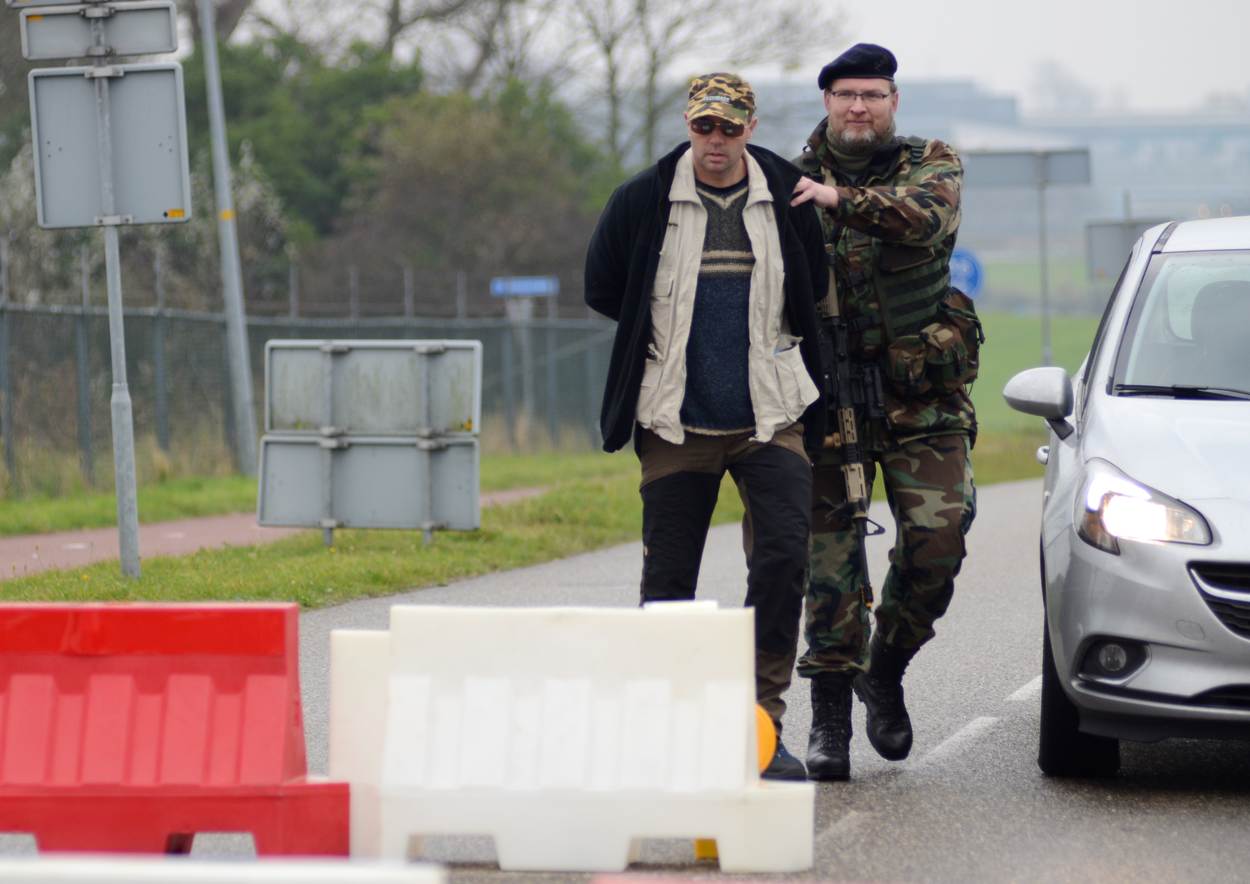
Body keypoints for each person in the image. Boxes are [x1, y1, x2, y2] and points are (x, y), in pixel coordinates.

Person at [585, 73, 827, 780]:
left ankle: (761, 727)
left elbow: (811, 287)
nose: (715, 141)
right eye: (703, 127)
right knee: (668, 583)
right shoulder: (642, 199)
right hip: (675, 421)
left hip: (771, 416)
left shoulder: (788, 195)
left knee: (783, 558)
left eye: (729, 128)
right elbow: (603, 286)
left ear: (751, 127)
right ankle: (666, 733)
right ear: (688, 126)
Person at [789, 43, 981, 780]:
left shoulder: (932, 163)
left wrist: (838, 200)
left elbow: (927, 220)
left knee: (938, 544)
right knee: (830, 562)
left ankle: (886, 666)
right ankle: (829, 716)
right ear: (828, 102)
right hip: (828, 396)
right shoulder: (788, 178)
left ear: (893, 101)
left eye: (872, 94)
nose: (859, 107)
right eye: (846, 94)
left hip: (921, 397)